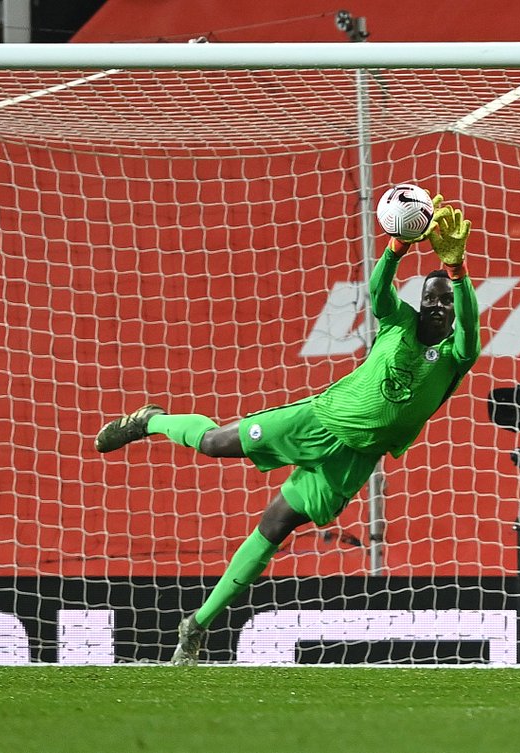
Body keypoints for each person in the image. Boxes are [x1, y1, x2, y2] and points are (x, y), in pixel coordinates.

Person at [94, 198, 479, 665]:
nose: (437, 306)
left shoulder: (458, 355)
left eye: (445, 300)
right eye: (430, 297)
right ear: (418, 304)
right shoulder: (398, 323)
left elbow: (471, 325)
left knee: (274, 526)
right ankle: (150, 420)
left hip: (350, 460)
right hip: (315, 420)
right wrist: (397, 246)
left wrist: (455, 270)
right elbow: (379, 292)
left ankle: (195, 626)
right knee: (216, 443)